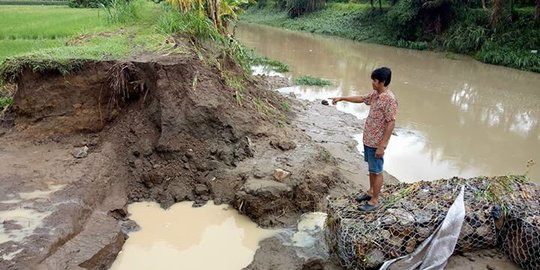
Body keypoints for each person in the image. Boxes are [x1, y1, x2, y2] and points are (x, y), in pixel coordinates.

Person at [331, 67, 397, 212]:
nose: (372, 83)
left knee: (377, 171)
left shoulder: (389, 100)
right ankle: (370, 192)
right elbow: (361, 98)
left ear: (382, 82)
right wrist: (342, 98)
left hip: (377, 142)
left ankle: (375, 201)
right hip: (369, 139)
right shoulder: (376, 94)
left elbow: (391, 123)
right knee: (371, 169)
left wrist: (382, 145)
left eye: (374, 80)